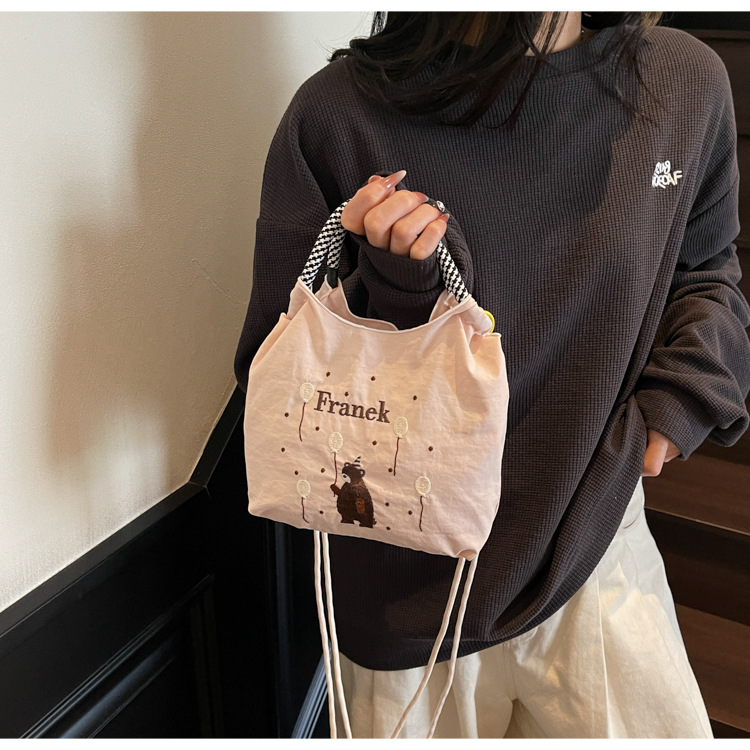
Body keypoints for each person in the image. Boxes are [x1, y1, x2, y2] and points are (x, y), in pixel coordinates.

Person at [233, 11, 750, 738]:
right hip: (405, 596)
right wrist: (405, 298)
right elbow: (274, 372)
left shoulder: (681, 83)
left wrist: (679, 401)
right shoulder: (338, 113)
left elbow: (704, 269)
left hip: (597, 541)